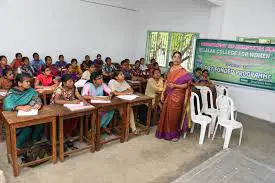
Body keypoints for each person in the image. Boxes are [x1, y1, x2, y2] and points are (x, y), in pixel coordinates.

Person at [156, 51, 192, 141]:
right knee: (166, 114)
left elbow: (187, 85)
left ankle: (174, 135)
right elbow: (167, 82)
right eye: (175, 57)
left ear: (181, 59)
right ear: (172, 58)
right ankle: (165, 133)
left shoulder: (183, 71)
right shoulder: (171, 69)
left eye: (178, 57)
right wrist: (163, 93)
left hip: (178, 96)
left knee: (174, 115)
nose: (176, 59)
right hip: (169, 94)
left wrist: (176, 86)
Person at [3, 73, 43, 149]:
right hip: (15, 116)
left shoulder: (30, 90)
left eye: (30, 81)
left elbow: (37, 99)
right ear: (19, 83)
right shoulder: (12, 92)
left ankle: (33, 142)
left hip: (30, 114)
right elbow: (7, 106)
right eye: (27, 82)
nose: (29, 83)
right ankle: (16, 147)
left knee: (40, 124)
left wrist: (37, 104)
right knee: (27, 129)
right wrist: (19, 107)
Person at [50, 74, 88, 139]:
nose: (72, 83)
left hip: (69, 106)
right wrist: (72, 102)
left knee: (76, 116)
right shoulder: (59, 89)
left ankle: (68, 132)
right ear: (64, 83)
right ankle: (64, 134)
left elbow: (78, 95)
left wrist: (84, 101)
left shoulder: (73, 87)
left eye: (73, 81)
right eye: (70, 81)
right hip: (57, 107)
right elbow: (56, 101)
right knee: (66, 118)